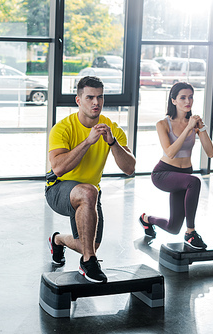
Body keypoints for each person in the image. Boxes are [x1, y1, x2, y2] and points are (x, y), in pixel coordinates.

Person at [45, 76, 136, 283]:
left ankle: (58, 240)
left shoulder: (111, 128)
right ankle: (88, 263)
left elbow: (130, 168)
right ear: (78, 100)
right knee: (88, 192)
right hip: (58, 190)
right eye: (90, 97)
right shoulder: (63, 128)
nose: (96, 103)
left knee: (90, 244)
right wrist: (88, 142)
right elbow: (58, 168)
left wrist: (112, 143)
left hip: (90, 196)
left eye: (100, 97)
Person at [139, 82, 213, 249]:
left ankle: (146, 219)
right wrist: (188, 128)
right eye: (183, 97)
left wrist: (201, 129)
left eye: (190, 97)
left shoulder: (195, 124)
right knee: (194, 181)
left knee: (173, 228)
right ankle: (190, 232)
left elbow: (210, 153)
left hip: (184, 175)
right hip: (163, 174)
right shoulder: (163, 124)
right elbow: (170, 152)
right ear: (173, 100)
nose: (188, 101)